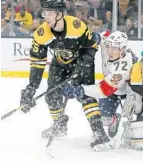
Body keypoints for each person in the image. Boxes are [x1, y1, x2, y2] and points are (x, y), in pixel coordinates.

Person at [19, 0, 110, 151]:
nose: (45, 17)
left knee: (85, 95)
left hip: (81, 61)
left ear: (60, 14)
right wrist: (31, 88)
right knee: (51, 95)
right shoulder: (41, 34)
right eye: (45, 13)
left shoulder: (77, 26)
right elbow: (37, 63)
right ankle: (60, 125)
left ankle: (99, 132)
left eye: (50, 13)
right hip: (59, 63)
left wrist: (84, 64)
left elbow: (92, 44)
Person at [63, 30, 138, 138]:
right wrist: (93, 36)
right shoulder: (106, 43)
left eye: (115, 48)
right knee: (104, 120)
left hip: (130, 91)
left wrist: (81, 90)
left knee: (137, 117)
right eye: (109, 47)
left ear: (123, 49)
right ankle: (114, 120)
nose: (110, 51)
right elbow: (104, 34)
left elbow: (104, 90)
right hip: (112, 90)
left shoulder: (123, 67)